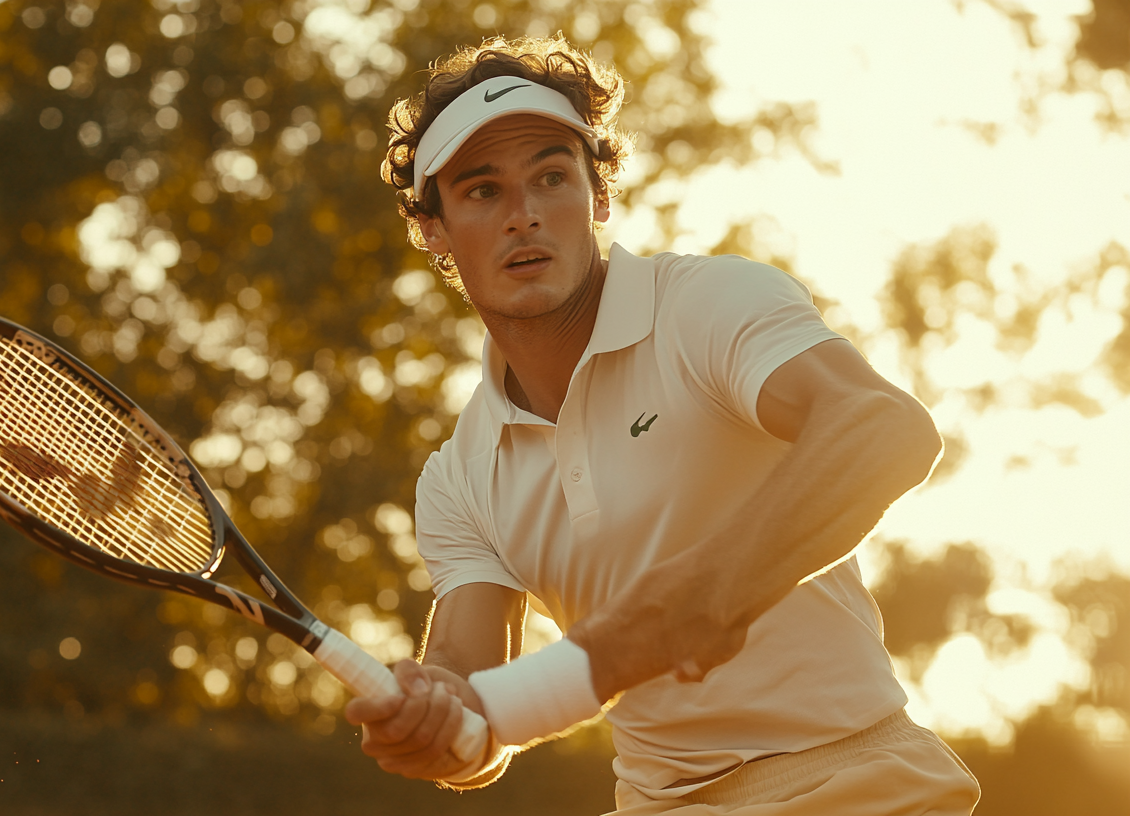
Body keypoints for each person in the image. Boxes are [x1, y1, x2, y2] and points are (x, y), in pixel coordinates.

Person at [343, 36, 981, 815]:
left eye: (551, 177)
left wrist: (700, 599)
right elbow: (469, 698)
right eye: (483, 192)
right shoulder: (457, 477)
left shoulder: (708, 305)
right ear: (435, 230)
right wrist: (436, 724)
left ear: (598, 197)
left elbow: (883, 426)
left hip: (850, 782)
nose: (524, 215)